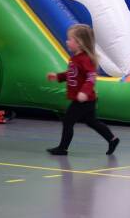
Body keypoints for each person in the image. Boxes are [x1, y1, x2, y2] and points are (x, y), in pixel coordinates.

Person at [46, 24, 120, 156]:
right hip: (85, 99)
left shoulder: (85, 59)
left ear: (79, 43)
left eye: (70, 39)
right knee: (91, 121)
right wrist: (57, 76)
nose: (67, 42)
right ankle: (112, 139)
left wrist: (84, 92)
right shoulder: (75, 59)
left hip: (84, 100)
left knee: (68, 120)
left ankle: (63, 148)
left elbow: (91, 77)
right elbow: (71, 74)